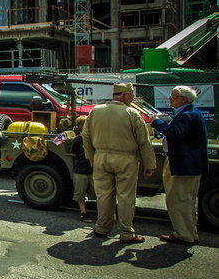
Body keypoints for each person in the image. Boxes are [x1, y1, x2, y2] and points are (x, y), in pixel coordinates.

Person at [82, 83, 156, 243]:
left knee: (103, 196)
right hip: (126, 158)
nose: (133, 98)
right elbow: (144, 141)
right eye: (131, 95)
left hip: (101, 156)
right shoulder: (132, 113)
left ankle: (102, 228)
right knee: (126, 197)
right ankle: (126, 232)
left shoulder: (95, 111)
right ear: (125, 95)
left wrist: (90, 155)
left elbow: (85, 135)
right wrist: (150, 164)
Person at [151, 86, 208, 245]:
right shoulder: (192, 113)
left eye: (173, 96)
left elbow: (175, 134)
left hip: (183, 164)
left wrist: (158, 123)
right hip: (191, 164)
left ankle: (183, 234)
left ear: (183, 99)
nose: (170, 98)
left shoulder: (187, 115)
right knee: (187, 200)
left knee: (177, 200)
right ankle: (189, 232)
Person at [68, 116, 95, 222]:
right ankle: (83, 212)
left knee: (98, 193)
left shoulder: (94, 139)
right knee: (80, 192)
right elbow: (73, 154)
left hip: (92, 170)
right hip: (80, 171)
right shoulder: (77, 140)